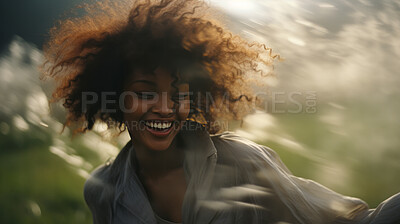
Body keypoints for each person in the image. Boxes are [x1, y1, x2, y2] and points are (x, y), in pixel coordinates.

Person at [41, 0, 400, 223]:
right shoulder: (101, 190)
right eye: (144, 93)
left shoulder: (245, 163)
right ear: (114, 94)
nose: (165, 108)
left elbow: (352, 221)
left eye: (179, 94)